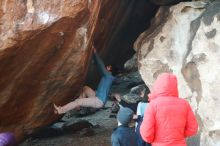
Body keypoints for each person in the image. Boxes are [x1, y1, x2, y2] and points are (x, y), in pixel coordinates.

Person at [140, 73, 198, 146]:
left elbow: (146, 133)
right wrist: (178, 136)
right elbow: (193, 128)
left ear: (158, 86)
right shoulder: (184, 104)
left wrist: (154, 140)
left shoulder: (153, 105)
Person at [54, 46, 116, 114]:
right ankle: (79, 106)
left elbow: (101, 65)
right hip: (97, 96)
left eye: (108, 66)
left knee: (78, 102)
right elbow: (100, 69)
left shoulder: (108, 76)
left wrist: (95, 53)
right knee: (85, 88)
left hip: (98, 101)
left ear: (110, 69)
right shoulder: (108, 77)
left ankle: (61, 110)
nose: (106, 67)